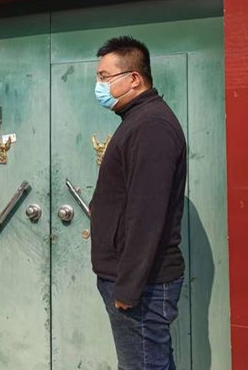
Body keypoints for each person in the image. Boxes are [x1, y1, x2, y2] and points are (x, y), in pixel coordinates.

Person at [90, 36, 186, 370]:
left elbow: (147, 214)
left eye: (105, 77)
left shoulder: (150, 126)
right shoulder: (137, 121)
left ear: (134, 78)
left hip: (142, 286)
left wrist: (128, 287)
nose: (99, 85)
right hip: (134, 280)